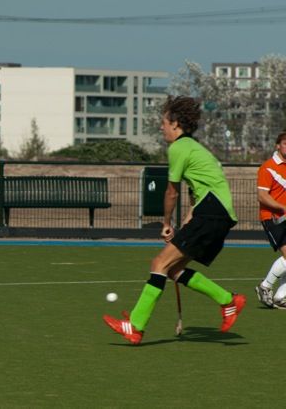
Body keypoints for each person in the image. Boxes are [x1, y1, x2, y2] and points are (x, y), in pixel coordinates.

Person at [103, 95, 246, 345]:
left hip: (212, 213)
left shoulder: (179, 148)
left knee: (159, 263)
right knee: (173, 270)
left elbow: (172, 192)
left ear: (175, 124)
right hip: (216, 214)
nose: (161, 128)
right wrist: (186, 224)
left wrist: (166, 223)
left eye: (164, 123)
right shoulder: (194, 148)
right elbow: (197, 195)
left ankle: (135, 326)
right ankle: (228, 300)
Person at [255, 132, 286, 309]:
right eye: (285, 143)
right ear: (277, 145)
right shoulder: (268, 168)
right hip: (274, 218)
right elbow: (262, 196)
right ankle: (265, 287)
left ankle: (281, 296)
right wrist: (282, 208)